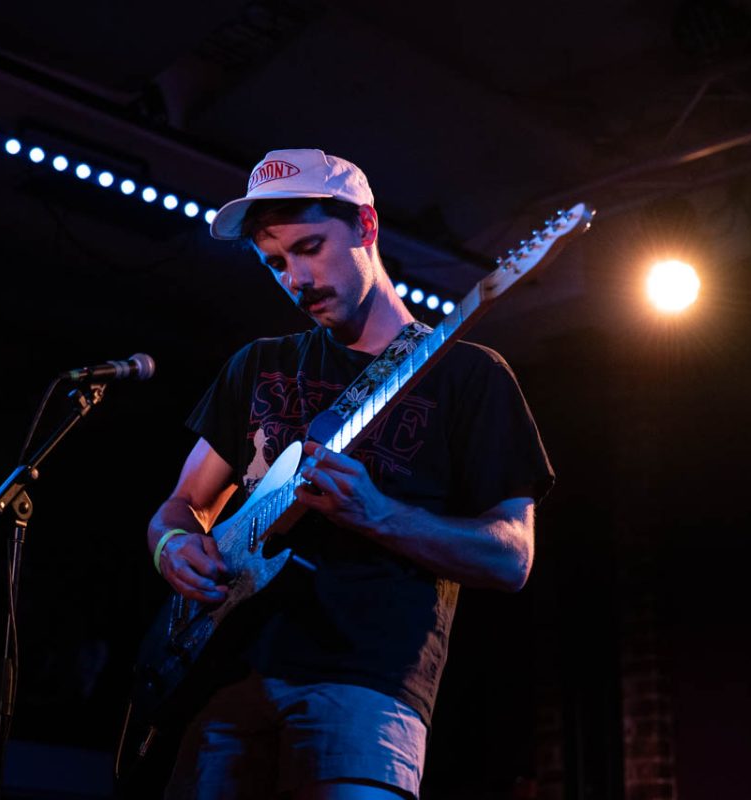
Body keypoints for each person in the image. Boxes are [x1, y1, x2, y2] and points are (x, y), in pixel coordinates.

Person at [145, 148, 554, 799]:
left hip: (366, 686)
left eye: (310, 247)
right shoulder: (258, 364)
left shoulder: (470, 376)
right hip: (220, 679)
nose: (296, 279)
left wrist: (378, 513)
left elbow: (511, 559)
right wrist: (171, 545)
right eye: (276, 262)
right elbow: (181, 504)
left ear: (366, 226)